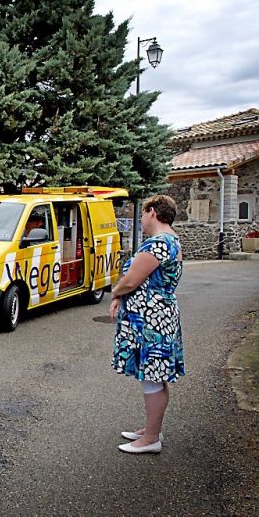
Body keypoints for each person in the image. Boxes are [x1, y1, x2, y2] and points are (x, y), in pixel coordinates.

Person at [109, 195, 184, 454]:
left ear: (152, 212)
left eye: (142, 214)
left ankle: (151, 438)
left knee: (153, 376)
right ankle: (151, 429)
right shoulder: (169, 241)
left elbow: (132, 280)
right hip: (156, 318)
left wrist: (116, 292)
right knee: (155, 376)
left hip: (152, 321)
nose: (140, 220)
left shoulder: (159, 244)